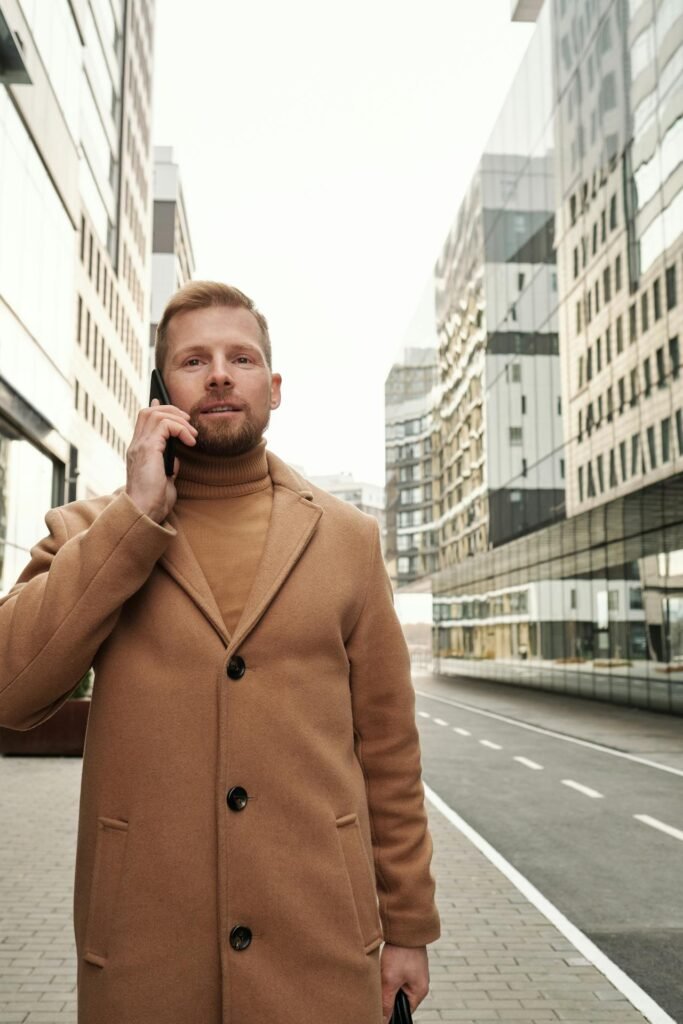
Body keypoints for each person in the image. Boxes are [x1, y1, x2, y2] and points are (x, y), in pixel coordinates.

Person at [0, 281, 440, 1023]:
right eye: (193, 360)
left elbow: (390, 751)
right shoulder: (87, 531)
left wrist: (409, 928)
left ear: (273, 387)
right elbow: (12, 692)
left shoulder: (347, 540)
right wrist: (134, 519)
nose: (218, 375)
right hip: (145, 947)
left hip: (321, 939)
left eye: (240, 358)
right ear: (160, 390)